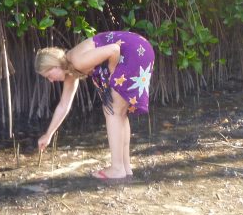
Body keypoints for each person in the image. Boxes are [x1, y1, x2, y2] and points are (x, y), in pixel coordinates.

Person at [35, 30, 155, 180]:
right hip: (140, 48)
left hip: (134, 50)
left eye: (48, 76)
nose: (50, 81)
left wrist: (112, 75)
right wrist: (48, 135)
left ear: (54, 66)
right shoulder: (71, 71)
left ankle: (117, 168)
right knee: (119, 112)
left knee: (112, 111)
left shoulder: (77, 60)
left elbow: (114, 50)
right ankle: (125, 167)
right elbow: (63, 105)